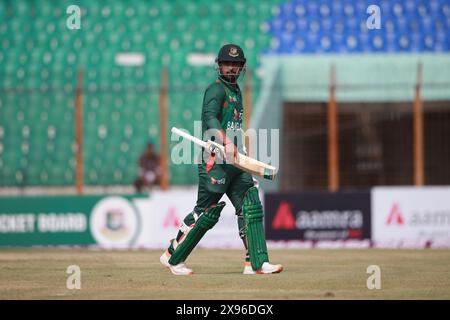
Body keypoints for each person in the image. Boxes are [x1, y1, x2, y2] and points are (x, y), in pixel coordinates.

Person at [160, 44, 283, 275]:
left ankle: (256, 263)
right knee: (206, 212)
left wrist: (239, 147)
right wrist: (225, 141)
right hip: (215, 161)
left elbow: (233, 124)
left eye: (237, 65)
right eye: (228, 64)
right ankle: (173, 258)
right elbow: (209, 118)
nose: (232, 68)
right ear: (219, 65)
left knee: (250, 206)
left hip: (235, 162)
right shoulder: (216, 90)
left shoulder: (236, 91)